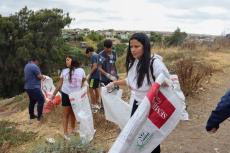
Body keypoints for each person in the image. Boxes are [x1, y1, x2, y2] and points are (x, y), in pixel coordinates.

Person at [105, 33, 170, 153]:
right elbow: (130, 81)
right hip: (137, 105)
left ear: (145, 46)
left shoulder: (154, 63)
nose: (133, 50)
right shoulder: (134, 63)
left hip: (151, 107)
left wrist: (165, 82)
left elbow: (166, 81)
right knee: (136, 137)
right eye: (131, 47)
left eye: (137, 46)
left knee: (150, 138)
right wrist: (114, 84)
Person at [51, 54, 88, 141]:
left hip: (76, 95)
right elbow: (60, 84)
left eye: (68, 59)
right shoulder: (64, 71)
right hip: (66, 94)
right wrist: (54, 94)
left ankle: (73, 128)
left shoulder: (81, 70)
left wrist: (85, 83)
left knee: (74, 112)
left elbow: (84, 80)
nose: (66, 61)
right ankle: (65, 133)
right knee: (66, 114)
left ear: (73, 60)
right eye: (66, 60)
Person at [97, 39, 119, 108]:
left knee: (113, 92)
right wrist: (107, 75)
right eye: (107, 48)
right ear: (104, 47)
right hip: (104, 78)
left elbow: (114, 63)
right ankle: (103, 108)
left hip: (113, 77)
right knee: (104, 93)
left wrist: (116, 72)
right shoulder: (101, 55)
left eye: (110, 47)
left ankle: (112, 107)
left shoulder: (114, 53)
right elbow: (99, 68)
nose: (109, 49)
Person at [24, 56, 45, 122]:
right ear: (36, 61)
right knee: (41, 99)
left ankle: (32, 116)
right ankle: (39, 117)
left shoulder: (27, 66)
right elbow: (39, 76)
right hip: (34, 87)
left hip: (28, 87)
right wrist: (43, 76)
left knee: (32, 101)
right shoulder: (34, 66)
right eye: (38, 62)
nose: (37, 64)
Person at [86, 47, 100, 113]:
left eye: (88, 53)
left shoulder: (92, 56)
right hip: (98, 76)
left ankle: (93, 105)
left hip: (93, 77)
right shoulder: (98, 55)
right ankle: (97, 104)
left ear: (89, 51)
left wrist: (89, 75)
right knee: (96, 89)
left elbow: (95, 67)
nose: (89, 55)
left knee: (90, 89)